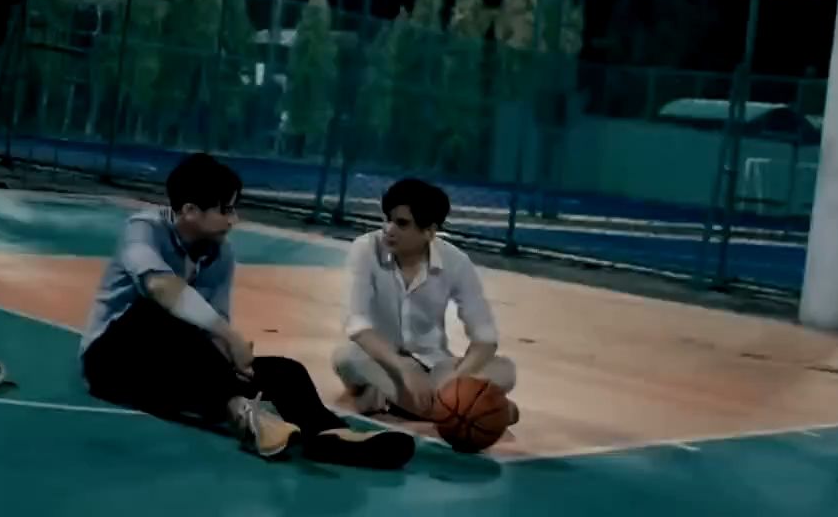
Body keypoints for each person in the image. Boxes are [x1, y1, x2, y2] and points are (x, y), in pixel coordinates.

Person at [79, 152, 416, 469]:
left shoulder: (219, 254)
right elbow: (160, 288)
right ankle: (244, 414)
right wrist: (229, 337)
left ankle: (328, 434)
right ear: (191, 210)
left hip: (169, 371)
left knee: (285, 371)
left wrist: (233, 360)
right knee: (156, 315)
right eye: (225, 210)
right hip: (111, 362)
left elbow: (213, 328)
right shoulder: (144, 230)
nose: (234, 219)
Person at [332, 178, 520, 425]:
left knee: (505, 370)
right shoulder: (365, 249)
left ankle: (392, 400)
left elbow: (485, 337)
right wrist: (403, 366)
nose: (388, 229)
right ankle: (460, 408)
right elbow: (358, 324)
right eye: (387, 219)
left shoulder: (456, 262)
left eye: (401, 223)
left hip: (436, 367)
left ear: (429, 231)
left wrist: (456, 379)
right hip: (383, 360)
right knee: (347, 358)